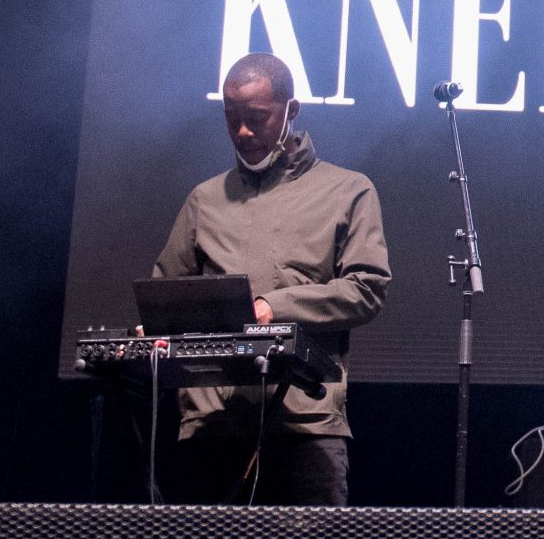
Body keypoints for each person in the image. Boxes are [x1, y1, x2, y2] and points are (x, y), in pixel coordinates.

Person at [151, 52, 389, 505]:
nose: (243, 131)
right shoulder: (204, 199)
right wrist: (156, 327)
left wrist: (273, 307)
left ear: (291, 110)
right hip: (211, 427)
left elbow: (367, 289)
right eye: (232, 117)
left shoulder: (348, 190)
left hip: (306, 426)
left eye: (257, 118)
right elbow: (167, 294)